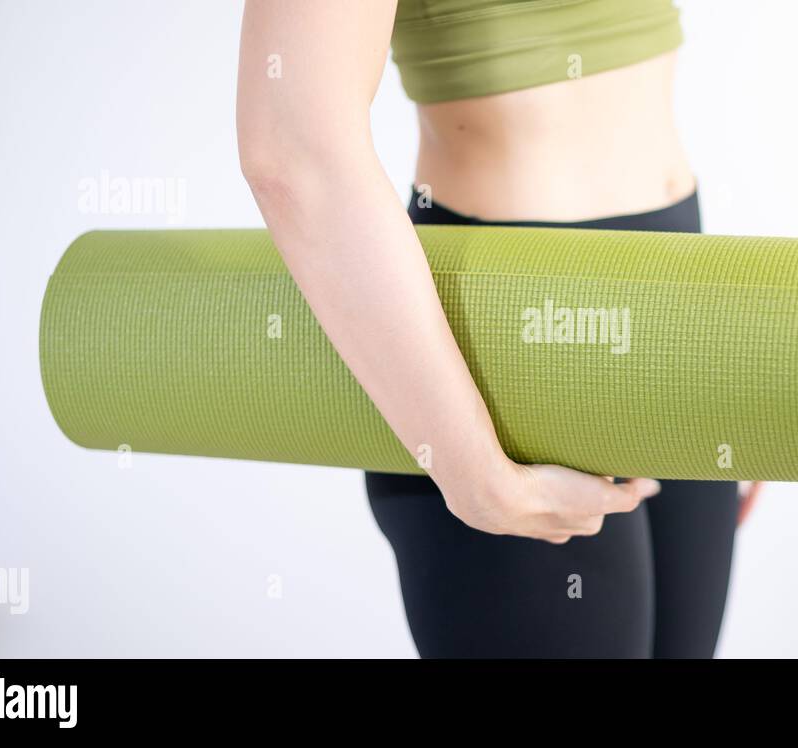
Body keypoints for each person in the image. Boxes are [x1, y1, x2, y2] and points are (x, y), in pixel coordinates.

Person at [236, 0, 761, 658]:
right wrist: (469, 470)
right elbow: (290, 148)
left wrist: (737, 368)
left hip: (677, 296)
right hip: (511, 343)